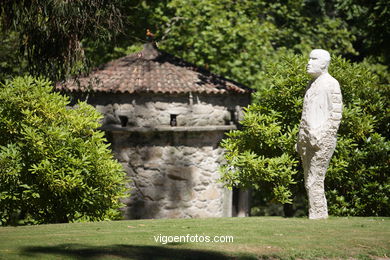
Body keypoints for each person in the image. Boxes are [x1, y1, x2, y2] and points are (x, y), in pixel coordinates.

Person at [296, 49, 343, 219]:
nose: (308, 62)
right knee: (309, 180)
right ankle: (315, 215)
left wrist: (323, 135)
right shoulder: (311, 84)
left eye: (313, 59)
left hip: (321, 140)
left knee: (315, 179)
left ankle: (319, 215)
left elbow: (336, 114)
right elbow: (306, 113)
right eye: (309, 58)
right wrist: (300, 138)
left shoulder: (331, 84)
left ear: (323, 63)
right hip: (306, 140)